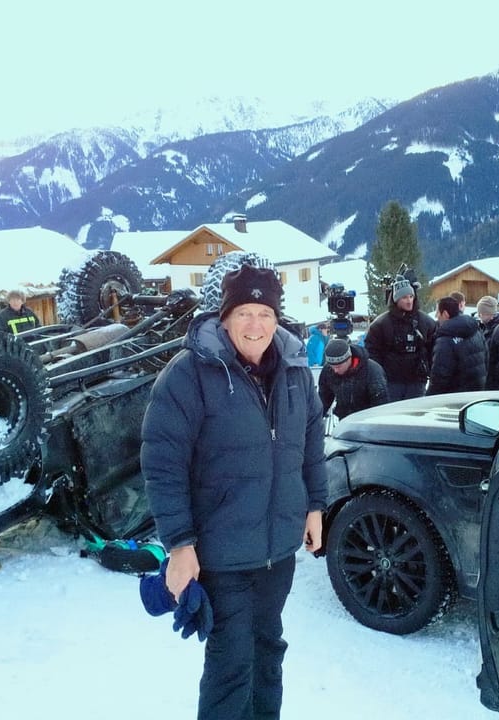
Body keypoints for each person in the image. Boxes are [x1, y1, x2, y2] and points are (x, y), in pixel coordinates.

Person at [140, 262, 326, 720]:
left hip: (276, 551)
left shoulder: (296, 370)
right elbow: (162, 464)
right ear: (223, 318)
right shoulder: (189, 375)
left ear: (277, 318)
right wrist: (180, 545)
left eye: (265, 313)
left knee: (268, 653)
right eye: (244, 312)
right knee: (231, 662)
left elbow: (311, 443)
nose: (255, 324)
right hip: (221, 553)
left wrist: (315, 506)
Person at [364, 274, 436, 402]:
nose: (409, 301)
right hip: (391, 381)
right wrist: (380, 375)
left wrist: (428, 369)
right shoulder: (380, 325)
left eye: (411, 296)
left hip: (417, 381)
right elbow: (372, 353)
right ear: (396, 300)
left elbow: (434, 350)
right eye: (404, 297)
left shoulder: (426, 322)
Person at [317, 337, 389, 419]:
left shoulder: (372, 370)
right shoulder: (328, 370)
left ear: (349, 359)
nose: (335, 370)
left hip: (368, 419)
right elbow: (324, 399)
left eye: (338, 366)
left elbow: (380, 403)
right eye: (332, 366)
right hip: (344, 419)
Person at [427, 296, 486, 395]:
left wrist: (429, 397)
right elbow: (486, 357)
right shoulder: (475, 330)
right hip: (477, 392)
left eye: (438, 312)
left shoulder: (445, 339)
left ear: (445, 314)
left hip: (453, 397)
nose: (436, 316)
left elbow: (440, 375)